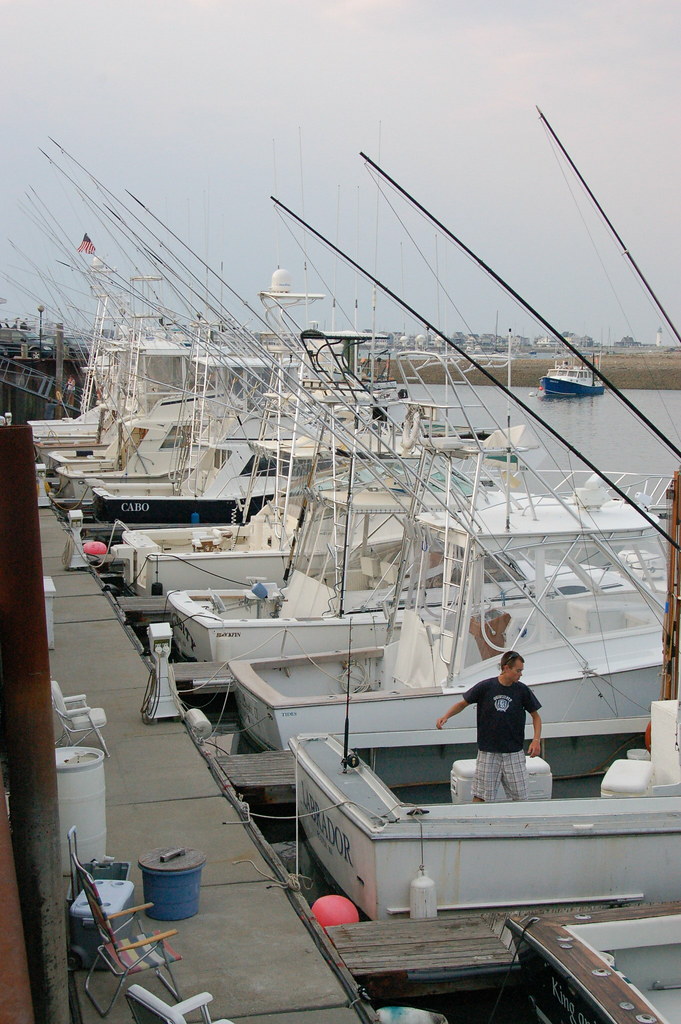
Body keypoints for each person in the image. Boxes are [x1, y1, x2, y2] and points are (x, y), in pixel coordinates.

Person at [435, 651, 542, 802]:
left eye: (521, 671)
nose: (521, 674)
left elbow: (536, 717)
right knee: (481, 796)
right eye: (518, 671)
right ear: (506, 668)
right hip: (488, 752)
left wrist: (536, 740)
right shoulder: (486, 687)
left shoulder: (522, 690)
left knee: (521, 797)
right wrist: (446, 716)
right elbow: (462, 704)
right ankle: (477, 822)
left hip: (514, 752)